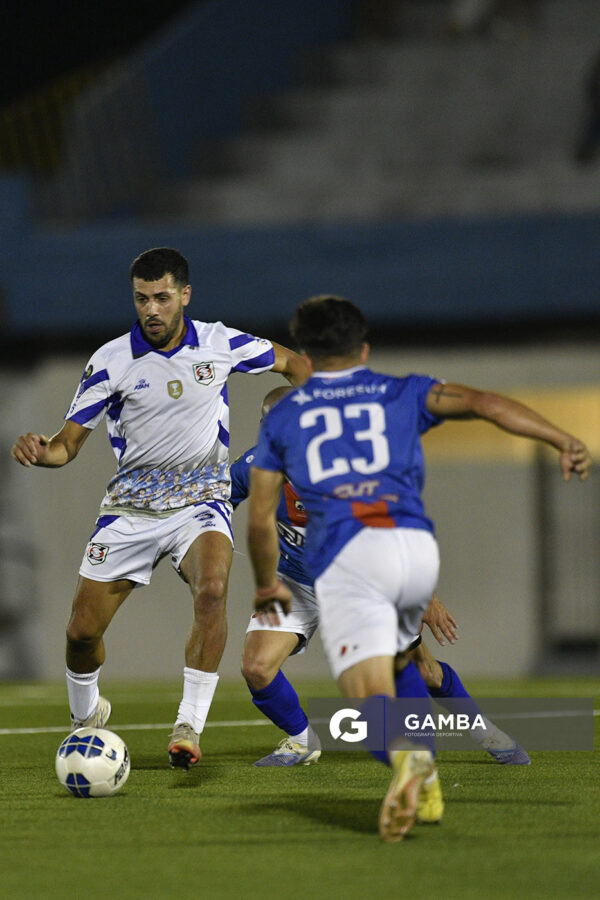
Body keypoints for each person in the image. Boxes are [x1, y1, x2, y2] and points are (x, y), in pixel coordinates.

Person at [245, 295, 590, 842]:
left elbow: (259, 520)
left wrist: (265, 584)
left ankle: (412, 762)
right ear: (363, 348)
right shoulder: (400, 390)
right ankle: (422, 770)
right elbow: (482, 402)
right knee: (407, 666)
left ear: (305, 353)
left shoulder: (286, 418)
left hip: (348, 561)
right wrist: (561, 438)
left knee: (370, 695)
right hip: (408, 548)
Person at [10, 246, 309, 770]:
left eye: (162, 298)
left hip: (201, 503)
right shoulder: (110, 361)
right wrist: (41, 450)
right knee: (81, 634)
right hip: (130, 512)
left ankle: (189, 725)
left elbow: (296, 364)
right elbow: (67, 445)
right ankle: (86, 717)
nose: (151, 309)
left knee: (213, 588)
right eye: (142, 298)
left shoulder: (220, 342)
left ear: (184, 296)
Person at [233, 389, 529, 771]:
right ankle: (303, 741)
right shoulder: (254, 467)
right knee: (257, 667)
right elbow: (211, 499)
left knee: (423, 672)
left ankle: (487, 733)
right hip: (298, 584)